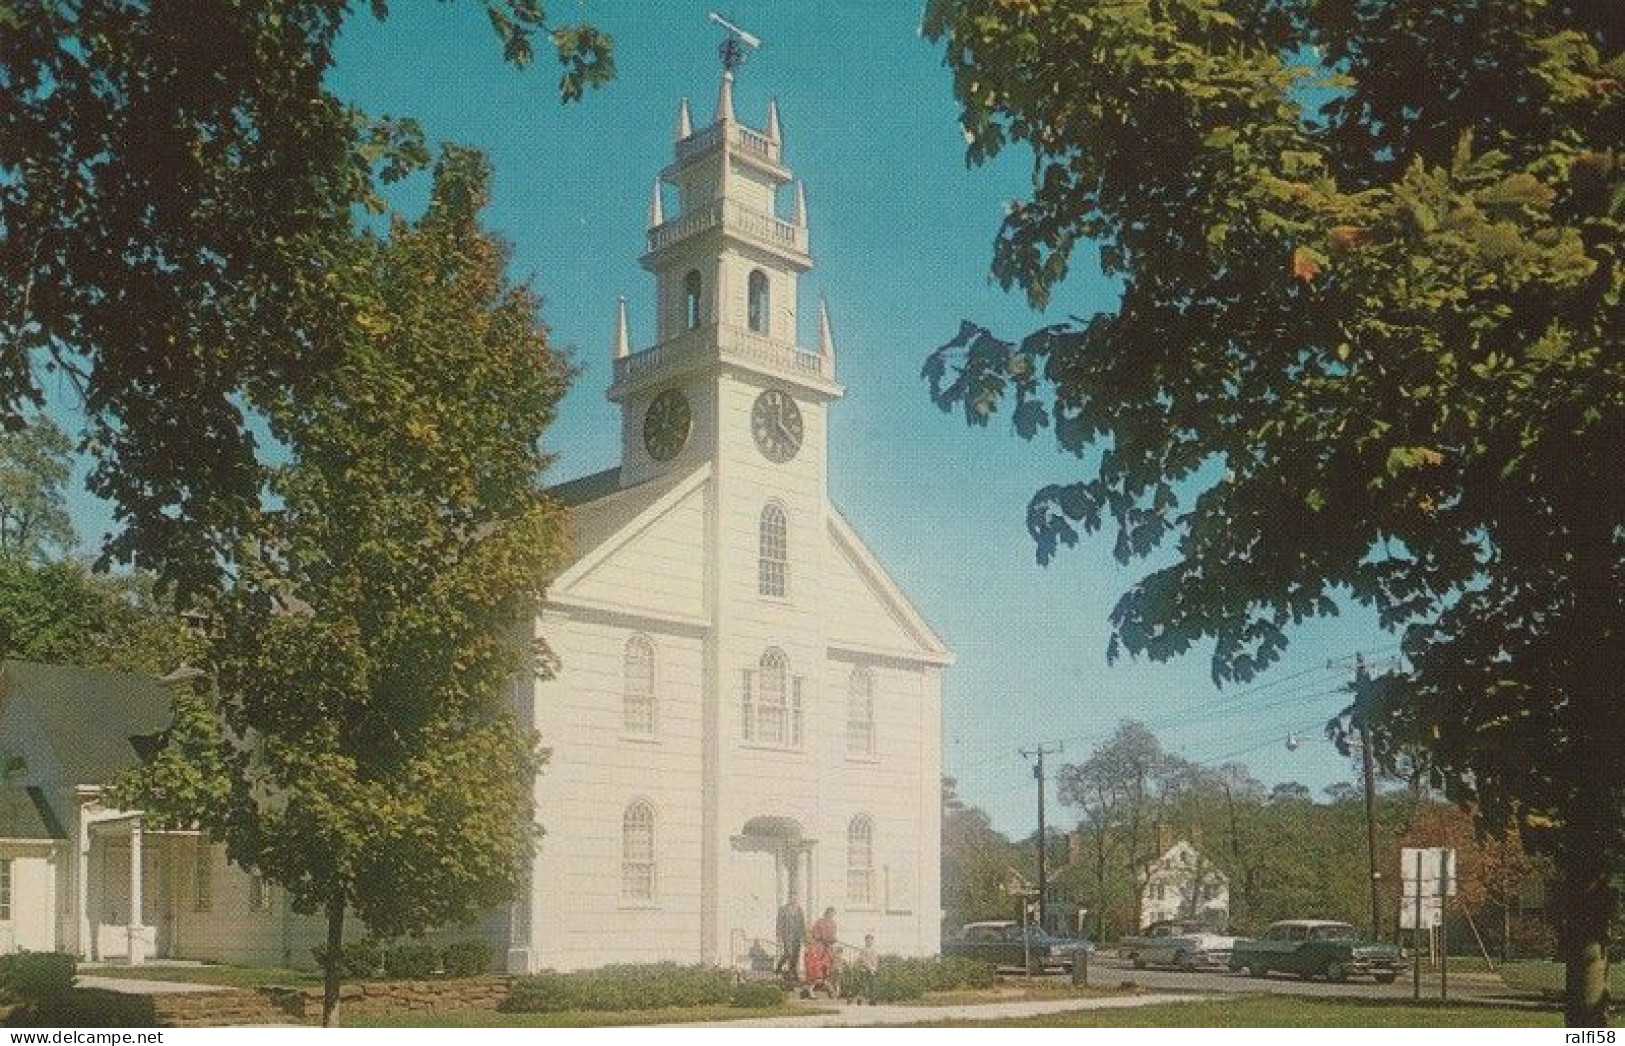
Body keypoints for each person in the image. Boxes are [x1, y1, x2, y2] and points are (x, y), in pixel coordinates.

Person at [802, 906, 839, 998]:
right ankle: (810, 990)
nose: (831, 915)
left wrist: (832, 940)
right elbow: (816, 934)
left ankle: (827, 988)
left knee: (827, 967)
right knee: (816, 967)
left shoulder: (833, 924)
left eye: (833, 914)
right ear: (826, 913)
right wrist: (822, 939)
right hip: (819, 948)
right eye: (829, 913)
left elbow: (833, 936)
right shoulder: (819, 922)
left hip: (827, 948)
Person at [775, 897, 806, 980]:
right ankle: (779, 967)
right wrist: (779, 935)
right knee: (788, 953)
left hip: (797, 936)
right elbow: (779, 923)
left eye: (795, 898)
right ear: (788, 899)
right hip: (787, 935)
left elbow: (802, 923)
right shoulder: (783, 909)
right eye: (792, 898)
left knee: (796, 954)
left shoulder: (799, 909)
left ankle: (793, 971)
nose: (794, 900)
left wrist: (803, 936)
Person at [853, 933, 880, 1004]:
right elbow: (863, 960)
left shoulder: (874, 950)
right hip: (864, 969)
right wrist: (870, 968)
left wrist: (874, 968)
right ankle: (860, 999)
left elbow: (876, 960)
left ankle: (872, 1000)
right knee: (863, 985)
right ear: (865, 941)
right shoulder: (863, 950)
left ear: (872, 941)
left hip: (872, 970)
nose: (869, 942)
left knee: (872, 985)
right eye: (867, 940)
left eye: (870, 940)